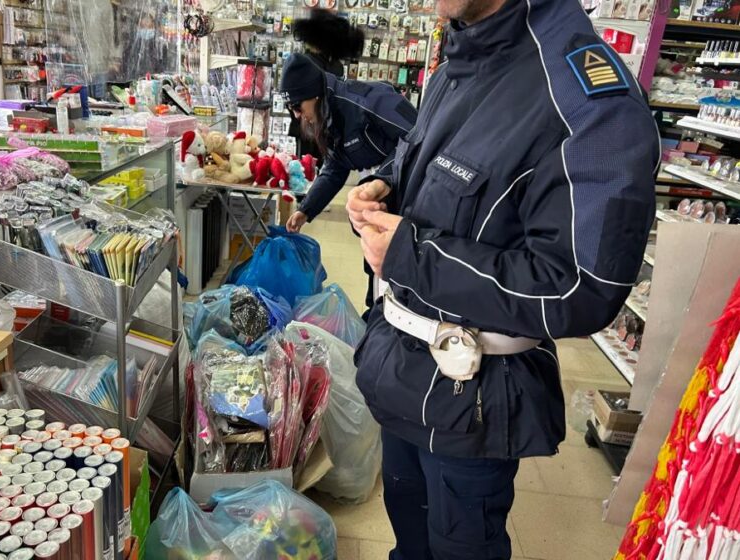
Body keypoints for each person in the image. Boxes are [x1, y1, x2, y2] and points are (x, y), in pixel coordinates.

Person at [346, 0, 659, 557]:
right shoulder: (461, 56)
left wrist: (411, 255)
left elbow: (580, 287)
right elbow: (432, 167)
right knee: (408, 538)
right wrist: (384, 187)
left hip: (472, 399)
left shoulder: (589, 103)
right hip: (402, 372)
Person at [279, 54, 417, 315]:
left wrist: (383, 178)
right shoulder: (328, 115)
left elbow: (418, 137)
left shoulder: (368, 101)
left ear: (314, 95)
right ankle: (376, 312)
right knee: (376, 263)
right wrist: (306, 209)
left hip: (411, 192)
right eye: (290, 108)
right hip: (382, 197)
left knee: (399, 269)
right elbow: (335, 167)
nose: (297, 116)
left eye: (297, 106)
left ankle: (389, 316)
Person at [286, 10, 365, 163]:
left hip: (316, 126)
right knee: (316, 164)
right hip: (319, 126)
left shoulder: (307, 63)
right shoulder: (334, 65)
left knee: (311, 166)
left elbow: (293, 98)